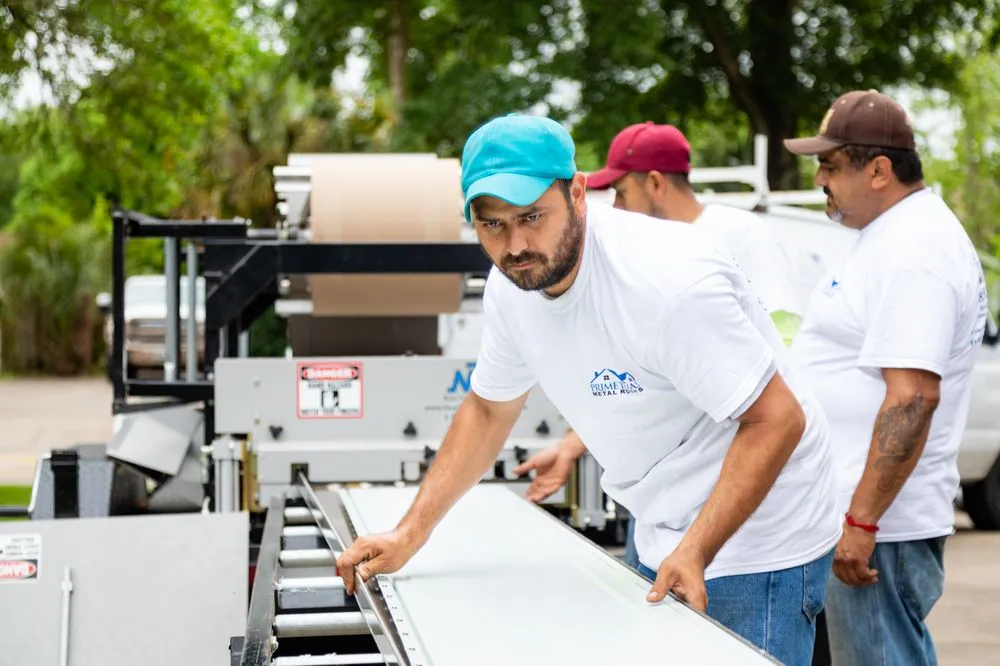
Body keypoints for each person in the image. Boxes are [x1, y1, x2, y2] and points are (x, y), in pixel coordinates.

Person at [336, 112, 841, 665]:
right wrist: (409, 534)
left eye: (532, 216)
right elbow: (488, 411)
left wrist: (696, 549)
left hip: (760, 536)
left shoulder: (666, 283)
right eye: (492, 225)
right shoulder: (512, 289)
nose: (515, 245)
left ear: (577, 193)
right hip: (662, 520)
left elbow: (778, 419)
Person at [512, 121, 807, 571]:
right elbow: (637, 381)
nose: (614, 207)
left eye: (621, 192)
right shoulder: (638, 259)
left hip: (740, 508)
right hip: (662, 500)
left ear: (654, 183)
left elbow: (782, 346)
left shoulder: (737, 234)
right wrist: (572, 445)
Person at [784, 89, 987, 666]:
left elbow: (913, 396)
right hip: (864, 520)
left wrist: (861, 521)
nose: (819, 179)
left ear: (878, 170)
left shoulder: (916, 249)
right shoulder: (890, 237)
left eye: (830, 165)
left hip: (881, 530)